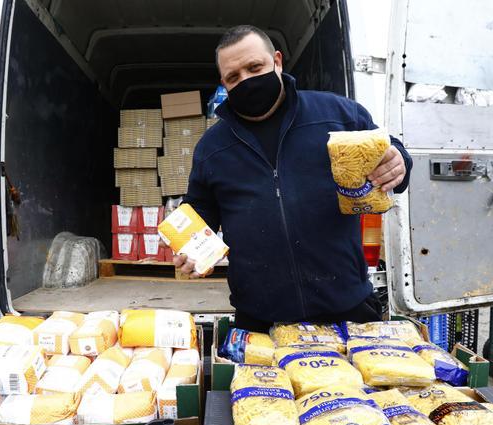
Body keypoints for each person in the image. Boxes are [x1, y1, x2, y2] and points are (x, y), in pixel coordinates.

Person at [176, 25, 412, 332]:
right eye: (234, 77)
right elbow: (199, 210)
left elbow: (389, 149)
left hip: (348, 309)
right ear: (224, 82)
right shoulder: (213, 147)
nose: (246, 80)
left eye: (254, 67)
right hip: (260, 320)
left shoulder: (337, 114)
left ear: (277, 60)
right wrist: (187, 247)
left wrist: (400, 161)